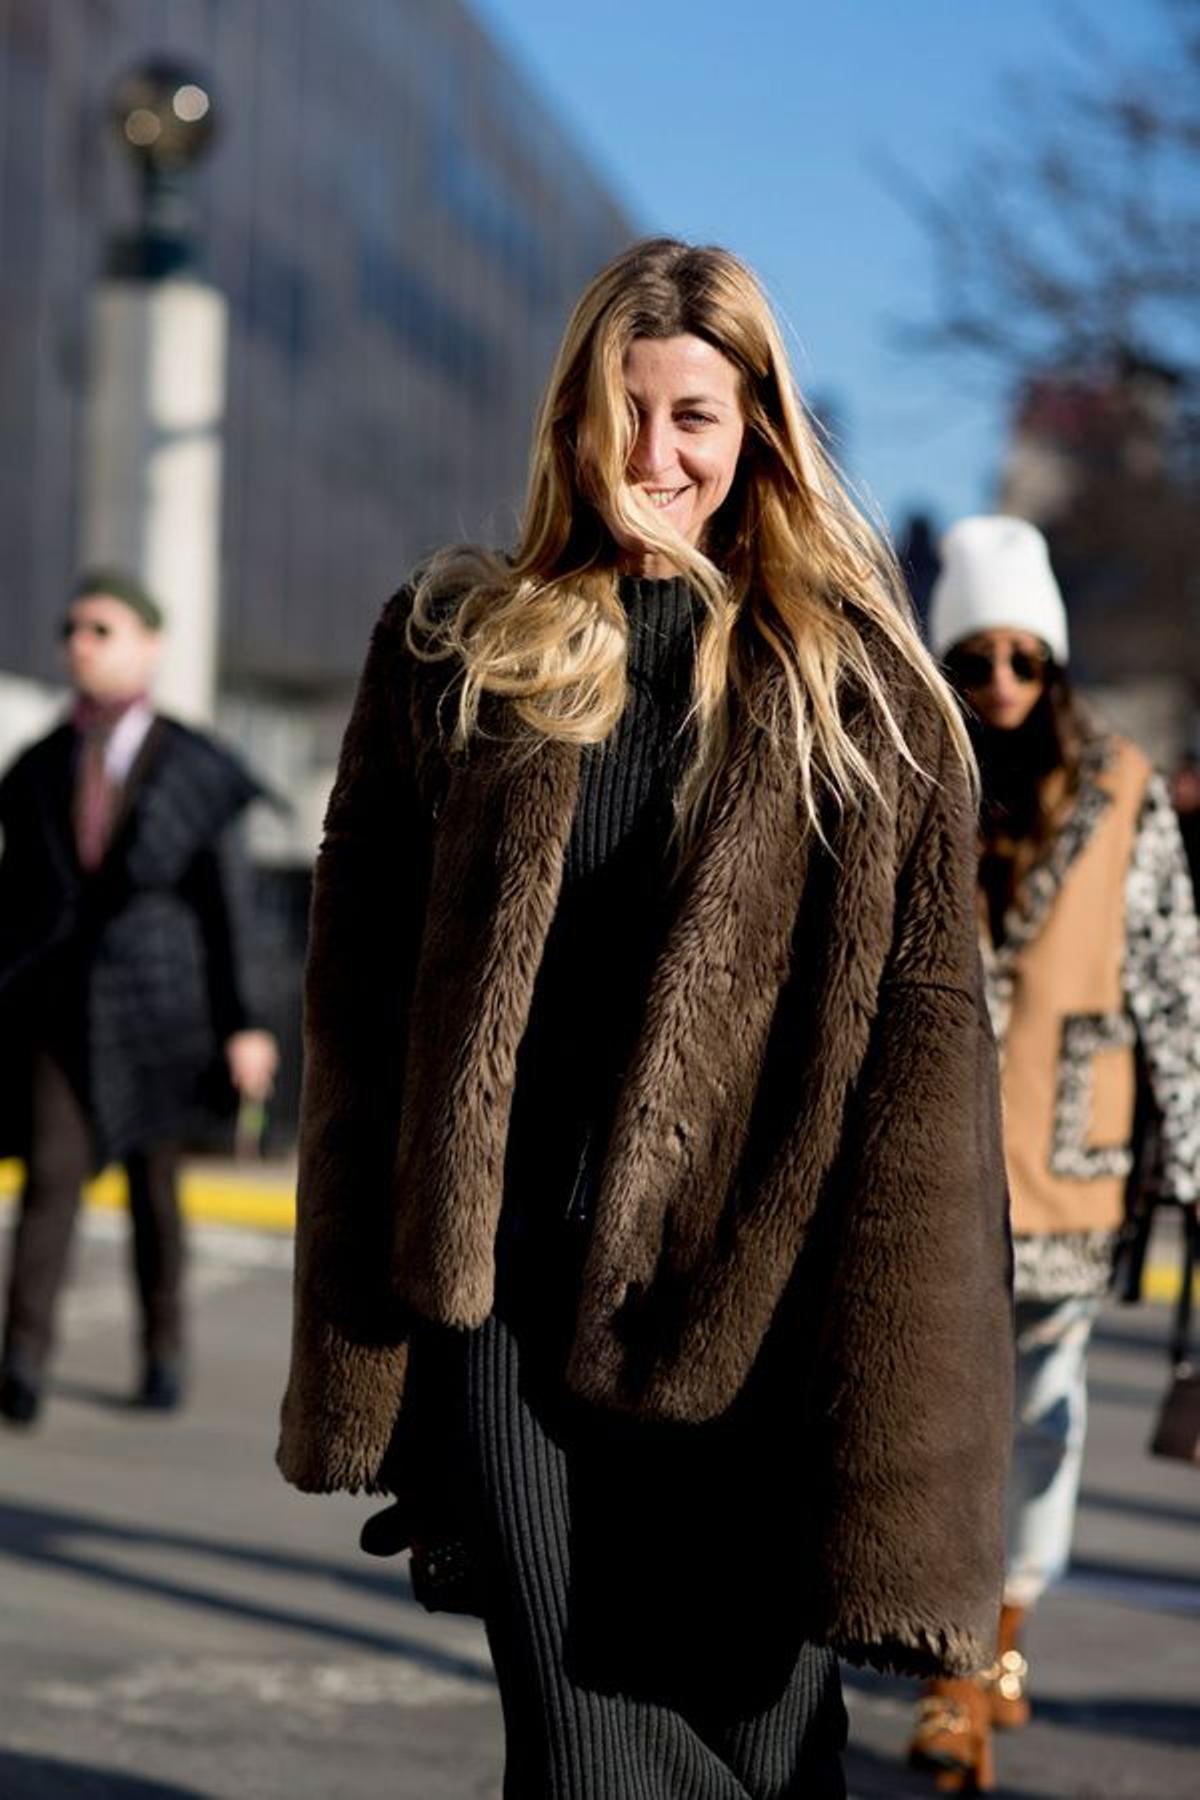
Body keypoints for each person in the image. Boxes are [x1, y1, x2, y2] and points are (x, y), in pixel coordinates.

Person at [277, 238, 1013, 1799]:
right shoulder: (455, 652)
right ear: (567, 418)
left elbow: (927, 1080)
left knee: (759, 1752)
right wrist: (367, 1345)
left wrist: (898, 1450)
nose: (654, 453)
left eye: (693, 414)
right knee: (586, 1749)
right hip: (511, 1316)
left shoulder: (861, 698)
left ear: (757, 430)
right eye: (624, 409)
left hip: (758, 1321)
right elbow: (359, 1018)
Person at [909, 515, 1200, 1792]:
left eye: (1029, 660)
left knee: (1038, 1418)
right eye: (977, 660)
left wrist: (1196, 1160)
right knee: (932, 1420)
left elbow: (1175, 982)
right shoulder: (915, 778)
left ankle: (996, 1645)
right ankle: (953, 1665)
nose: (1006, 686)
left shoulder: (1124, 788)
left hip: (1077, 1162)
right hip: (930, 1160)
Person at [0, 571, 277, 1425]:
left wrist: (248, 1023)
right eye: (72, 628)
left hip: (165, 1006)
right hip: (61, 1006)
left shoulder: (192, 766)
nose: (81, 643)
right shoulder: (41, 765)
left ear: (149, 645)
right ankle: (22, 1361)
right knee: (50, 1178)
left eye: (103, 629)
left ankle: (163, 1351)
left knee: (157, 1188)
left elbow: (231, 906)